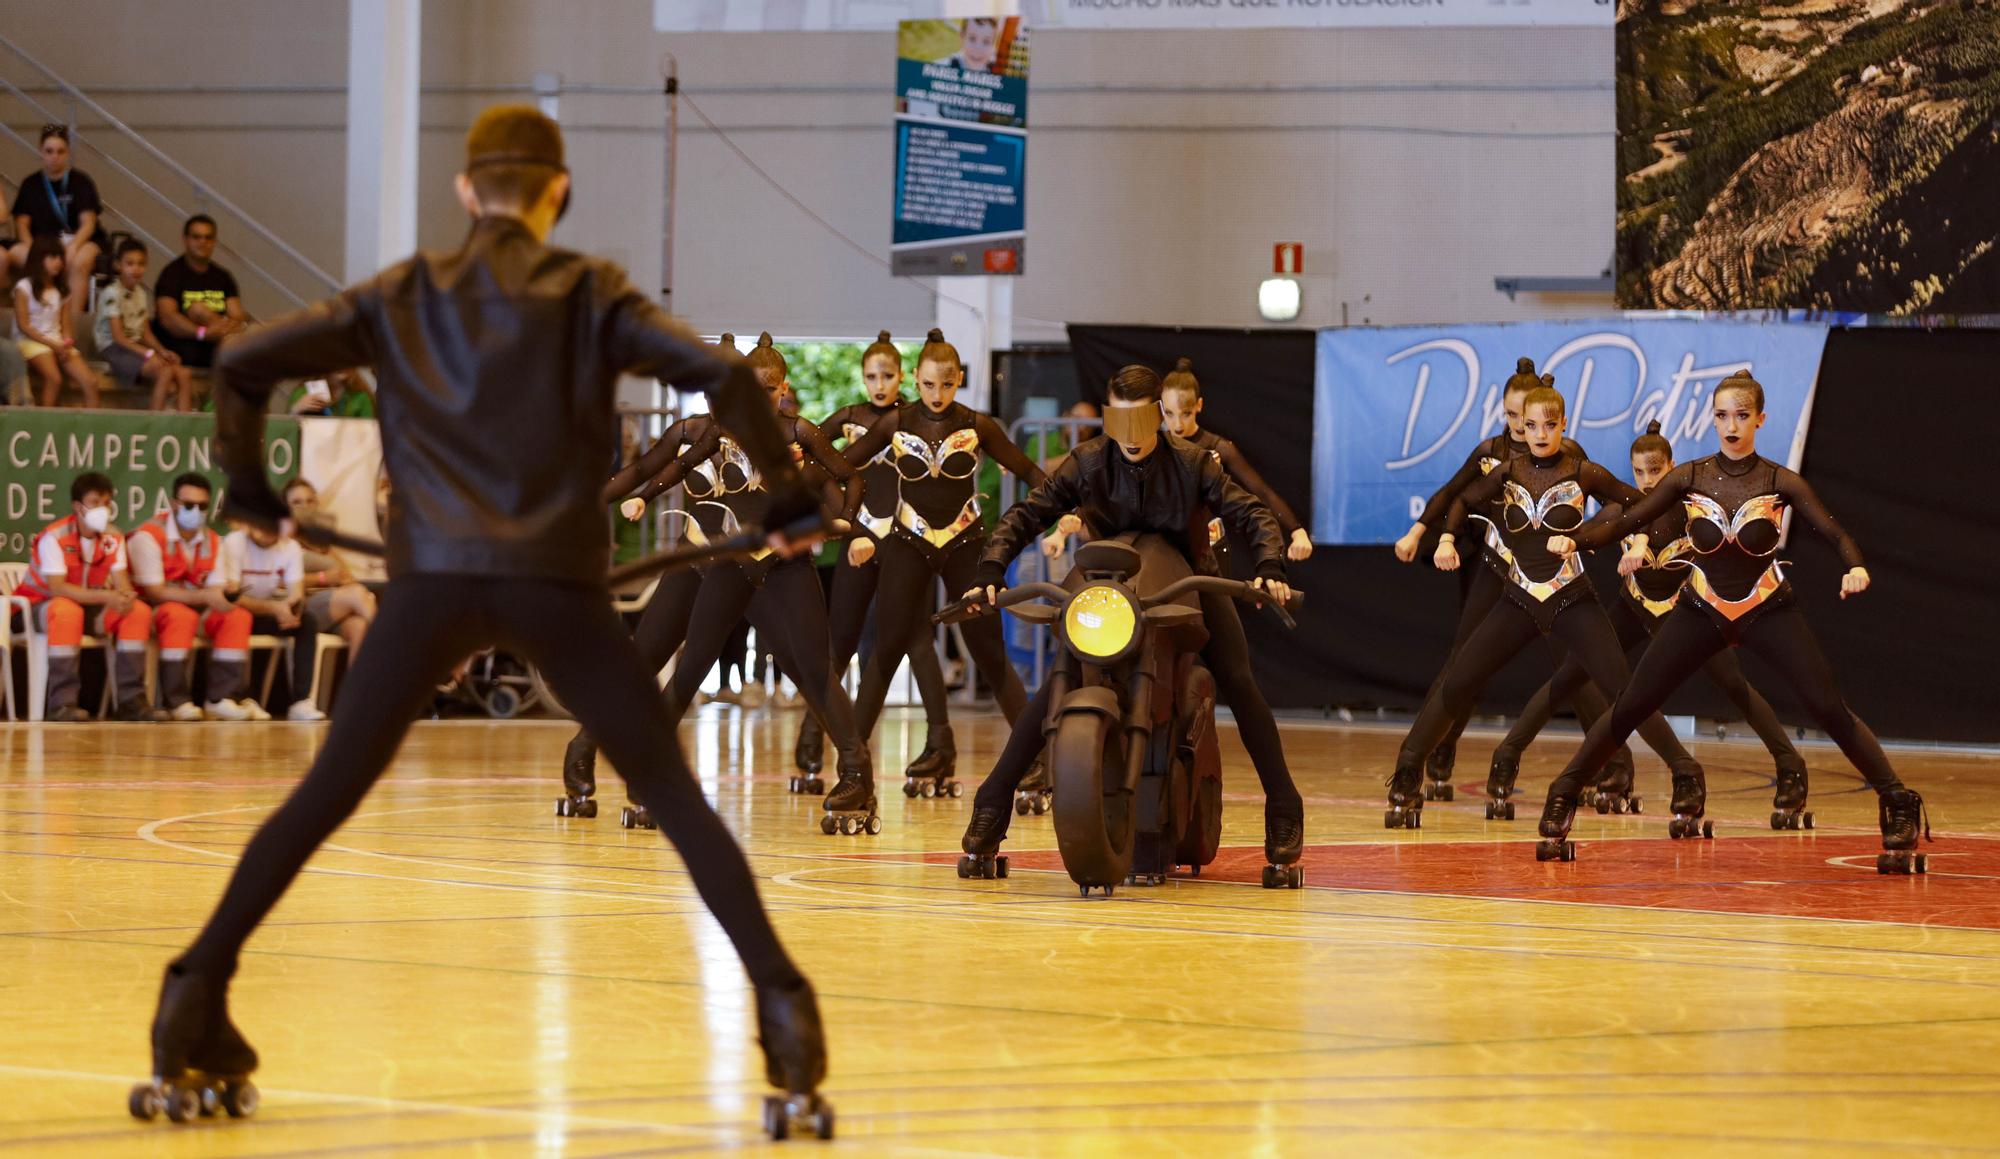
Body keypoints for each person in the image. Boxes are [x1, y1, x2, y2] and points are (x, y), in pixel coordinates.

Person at [128, 108, 829, 1130]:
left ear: (466, 193)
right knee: (673, 796)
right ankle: (785, 1016)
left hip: (429, 586)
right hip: (557, 584)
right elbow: (724, 377)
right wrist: (792, 503)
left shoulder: (404, 291)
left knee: (323, 797)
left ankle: (192, 996)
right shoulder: (592, 291)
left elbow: (242, 365)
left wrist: (249, 486)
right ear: (559, 192)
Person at [1536, 370, 1931, 870]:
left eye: (1742, 416)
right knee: (1632, 704)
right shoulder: (1689, 477)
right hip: (1702, 608)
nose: (1731, 425)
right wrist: (1579, 541)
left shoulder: (1778, 481)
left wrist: (1854, 565)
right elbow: (1627, 521)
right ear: (1712, 418)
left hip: (1768, 607)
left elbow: (1832, 532)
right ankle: (1564, 792)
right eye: (1722, 415)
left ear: (1760, 419)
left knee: (1827, 708)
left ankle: (1897, 800)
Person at [956, 364, 1305, 879]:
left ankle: (1284, 810)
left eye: (1142, 421)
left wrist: (1270, 566)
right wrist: (990, 569)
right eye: (1119, 421)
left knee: (1239, 681)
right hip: (1104, 593)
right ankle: (991, 804)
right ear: (1108, 419)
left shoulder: (1192, 463)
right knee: (1061, 677)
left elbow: (1250, 511)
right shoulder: (1089, 460)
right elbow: (1028, 512)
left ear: (1159, 417)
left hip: (1189, 583)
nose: (1131, 436)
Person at [1402, 386, 1710, 833]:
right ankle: (1409, 769)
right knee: (1459, 679)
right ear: (1519, 428)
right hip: (1519, 597)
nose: (1541, 433)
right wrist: (1446, 538)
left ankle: (1685, 772)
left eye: (1550, 425)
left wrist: (1618, 536)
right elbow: (1463, 499)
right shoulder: (1507, 471)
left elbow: (1638, 504)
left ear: (1564, 424)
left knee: (1625, 691)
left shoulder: (1582, 471)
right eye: (1531, 426)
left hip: (1571, 598)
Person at [1487, 421, 1810, 822]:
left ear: (1671, 467)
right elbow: (1601, 526)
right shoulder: (1626, 505)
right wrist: (1571, 538)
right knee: (1571, 675)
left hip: (1688, 610)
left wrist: (1644, 543)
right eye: (1638, 472)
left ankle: (1790, 765)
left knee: (1733, 685)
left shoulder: (1692, 502)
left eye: (1655, 472)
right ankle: (1509, 754)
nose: (1646, 481)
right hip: (1635, 606)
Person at [631, 333, 879, 834]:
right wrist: (639, 495)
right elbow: (676, 468)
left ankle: (857, 776)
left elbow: (851, 478)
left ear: (781, 388)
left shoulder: (800, 431)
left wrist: (851, 525)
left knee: (815, 668)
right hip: (731, 562)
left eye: (768, 390)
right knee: (692, 664)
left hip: (786, 564)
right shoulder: (718, 430)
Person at [1387, 359, 1636, 806]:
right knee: (1464, 663)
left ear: (1554, 420)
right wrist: (1424, 532)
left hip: (1557, 579)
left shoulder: (1570, 455)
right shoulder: (1493, 454)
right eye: (1515, 417)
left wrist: (1591, 538)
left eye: (1535, 418)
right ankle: (1432, 754)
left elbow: (1618, 500)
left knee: (1577, 670)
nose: (1526, 428)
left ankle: (1612, 766)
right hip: (1499, 567)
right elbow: (1454, 494)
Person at [839, 329, 1046, 765]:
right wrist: (798, 460)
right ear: (916, 379)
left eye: (947, 385)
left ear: (958, 382)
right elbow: (843, 461)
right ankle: (853, 767)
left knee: (989, 652)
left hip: (966, 541)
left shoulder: (976, 424)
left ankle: (1034, 761)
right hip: (908, 540)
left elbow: (1026, 467)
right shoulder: (895, 422)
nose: (938, 394)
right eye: (930, 384)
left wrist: (1069, 508)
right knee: (887, 648)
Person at [793, 331, 956, 789]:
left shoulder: (913, 417)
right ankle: (810, 743)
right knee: (839, 644)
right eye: (871, 377)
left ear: (904, 375)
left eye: (887, 375)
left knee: (919, 642)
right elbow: (809, 454)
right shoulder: (849, 418)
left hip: (908, 541)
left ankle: (940, 744)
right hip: (860, 539)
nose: (879, 384)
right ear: (863, 378)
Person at [10, 472, 170, 722]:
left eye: (106, 503)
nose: (103, 510)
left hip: (86, 609)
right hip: (36, 608)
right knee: (65, 609)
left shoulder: (113, 537)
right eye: (95, 503)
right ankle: (62, 703)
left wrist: (125, 597)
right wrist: (109, 597)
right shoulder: (55, 536)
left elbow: (121, 583)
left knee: (136, 612)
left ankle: (131, 700)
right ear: (78, 506)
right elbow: (58, 588)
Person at [128, 473, 265, 721]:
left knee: (236, 616)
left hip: (195, 610)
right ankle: (176, 701)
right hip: (150, 613)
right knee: (178, 615)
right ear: (173, 503)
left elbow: (215, 589)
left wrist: (223, 597)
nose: (196, 511)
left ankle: (223, 698)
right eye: (189, 505)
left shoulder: (212, 540)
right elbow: (155, 592)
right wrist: (206, 596)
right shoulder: (148, 536)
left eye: (202, 506)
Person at [220, 520, 325, 721]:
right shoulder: (234, 543)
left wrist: (291, 610)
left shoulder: (290, 546)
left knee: (307, 621)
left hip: (269, 611)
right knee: (237, 617)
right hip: (236, 613)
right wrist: (275, 608)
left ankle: (301, 701)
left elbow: (296, 592)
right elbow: (231, 597)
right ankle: (240, 698)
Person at [8, 125, 102, 326]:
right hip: (42, 244)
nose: (54, 157)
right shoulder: (30, 184)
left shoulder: (81, 181)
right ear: (41, 151)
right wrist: (35, 251)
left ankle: (72, 324)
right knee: (16, 253)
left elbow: (88, 224)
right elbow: (22, 225)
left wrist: (73, 247)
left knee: (78, 261)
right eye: (49, 151)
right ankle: (37, 318)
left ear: (67, 153)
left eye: (60, 151)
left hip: (78, 240)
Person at [95, 238, 195, 411]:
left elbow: (146, 333)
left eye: (141, 264)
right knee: (164, 372)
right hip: (114, 347)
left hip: (135, 345)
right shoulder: (112, 293)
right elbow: (119, 338)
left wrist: (162, 351)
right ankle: (154, 423)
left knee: (184, 374)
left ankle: (184, 426)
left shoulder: (141, 293)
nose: (136, 268)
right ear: (118, 265)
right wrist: (149, 354)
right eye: (130, 263)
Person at [283, 478, 375, 658]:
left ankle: (357, 686)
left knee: (359, 625)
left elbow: (346, 577)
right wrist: (323, 578)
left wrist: (340, 578)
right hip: (300, 607)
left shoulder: (321, 543)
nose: (305, 507)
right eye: (297, 502)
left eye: (310, 501)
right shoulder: (281, 542)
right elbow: (275, 582)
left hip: (332, 607)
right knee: (357, 594)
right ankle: (400, 650)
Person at [13, 235, 103, 407]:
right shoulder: (23, 287)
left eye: (60, 257)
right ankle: (46, 425)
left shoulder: (61, 290)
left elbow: (66, 324)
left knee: (91, 381)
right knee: (54, 378)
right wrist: (53, 345)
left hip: (57, 340)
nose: (58, 262)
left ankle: (93, 427)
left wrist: (66, 343)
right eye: (52, 257)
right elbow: (23, 325)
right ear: (39, 259)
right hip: (30, 341)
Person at [153, 214, 248, 371]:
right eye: (196, 237)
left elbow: (237, 316)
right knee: (197, 309)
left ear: (214, 242)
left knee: (256, 331)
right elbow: (167, 318)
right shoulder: (171, 274)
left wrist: (218, 330)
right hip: (185, 343)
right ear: (185, 239)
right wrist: (201, 333)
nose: (203, 242)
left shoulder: (223, 277)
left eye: (208, 237)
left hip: (218, 342)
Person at [287, 368, 375, 417]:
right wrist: (295, 410)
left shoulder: (361, 396)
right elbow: (287, 433)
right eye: (335, 357)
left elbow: (370, 434)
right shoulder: (303, 393)